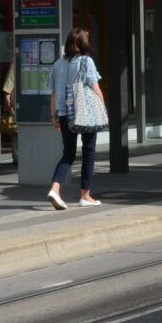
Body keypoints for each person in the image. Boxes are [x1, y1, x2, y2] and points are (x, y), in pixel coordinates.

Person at [46, 28, 105, 210]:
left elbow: (54, 94)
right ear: (82, 43)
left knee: (69, 153)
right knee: (88, 151)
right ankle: (85, 195)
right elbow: (95, 87)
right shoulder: (86, 61)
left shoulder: (57, 65)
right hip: (84, 113)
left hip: (64, 115)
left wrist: (54, 116)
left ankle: (55, 189)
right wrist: (103, 109)